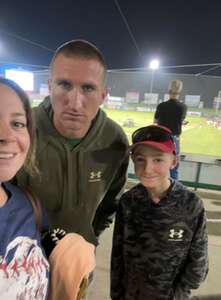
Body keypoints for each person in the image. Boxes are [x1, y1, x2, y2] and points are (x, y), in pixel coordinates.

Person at [16, 39, 129, 246]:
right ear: (50, 86)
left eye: (88, 88)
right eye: (64, 85)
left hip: (78, 263)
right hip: (23, 264)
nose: (75, 103)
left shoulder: (115, 140)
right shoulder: (22, 131)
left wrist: (87, 240)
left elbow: (111, 202)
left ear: (103, 95)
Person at [111, 124, 208, 300]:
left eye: (157, 160)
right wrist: (116, 294)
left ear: (174, 161)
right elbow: (118, 257)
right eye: (141, 159)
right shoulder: (129, 202)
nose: (148, 169)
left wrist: (178, 294)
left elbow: (198, 264)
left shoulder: (191, 204)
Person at [0, 78, 49, 299]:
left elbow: (48, 240)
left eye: (18, 124)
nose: (7, 136)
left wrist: (70, 248)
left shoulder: (28, 203)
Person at [154, 79, 187, 179]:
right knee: (174, 166)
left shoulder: (161, 106)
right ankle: (173, 191)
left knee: (158, 163)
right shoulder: (183, 107)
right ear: (180, 91)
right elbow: (180, 120)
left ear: (168, 91)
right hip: (174, 139)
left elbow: (155, 121)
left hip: (160, 137)